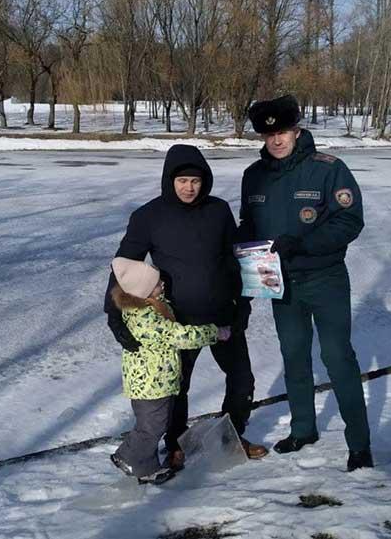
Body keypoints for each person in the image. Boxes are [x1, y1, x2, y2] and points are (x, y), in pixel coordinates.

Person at [104, 144, 269, 468]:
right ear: (170, 180)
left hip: (223, 314)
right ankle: (176, 443)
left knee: (242, 380)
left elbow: (235, 258)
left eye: (195, 180)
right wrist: (115, 317)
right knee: (178, 387)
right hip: (177, 320)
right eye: (182, 181)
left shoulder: (218, 210)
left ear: (204, 180)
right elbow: (122, 266)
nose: (189, 187)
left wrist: (243, 303)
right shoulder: (148, 217)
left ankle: (233, 436)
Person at [238, 94, 373, 471]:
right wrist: (240, 246)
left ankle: (359, 444)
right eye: (269, 135)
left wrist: (304, 244)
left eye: (282, 132)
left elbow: (350, 220)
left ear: (296, 131)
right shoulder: (254, 176)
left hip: (324, 278)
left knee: (337, 358)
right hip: (278, 282)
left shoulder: (328, 169)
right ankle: (303, 429)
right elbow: (249, 223)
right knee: (294, 356)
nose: (276, 140)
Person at [108, 257, 224, 484]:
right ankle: (137, 463)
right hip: (151, 383)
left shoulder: (146, 305)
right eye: (157, 284)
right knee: (152, 428)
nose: (163, 284)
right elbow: (178, 335)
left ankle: (133, 457)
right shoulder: (146, 318)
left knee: (150, 425)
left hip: (152, 380)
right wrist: (214, 332)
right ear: (144, 291)